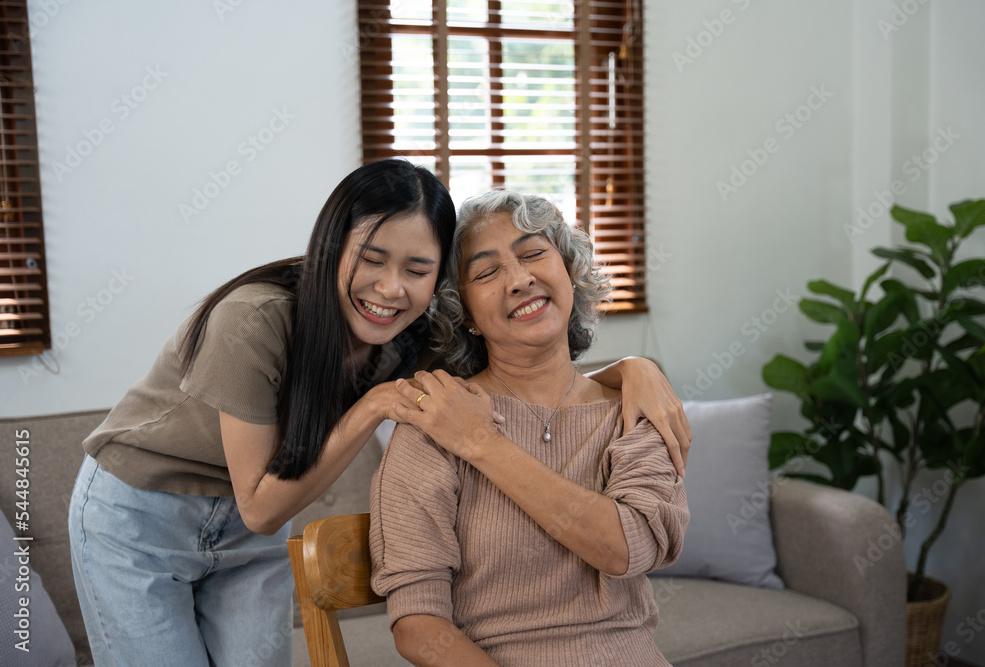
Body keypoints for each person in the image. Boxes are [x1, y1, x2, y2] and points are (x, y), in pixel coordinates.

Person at [68, 160, 689, 667]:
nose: (391, 289)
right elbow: (262, 506)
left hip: (243, 527)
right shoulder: (254, 320)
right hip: (142, 512)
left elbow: (531, 363)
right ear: (334, 246)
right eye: (372, 259)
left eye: (417, 269)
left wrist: (634, 367)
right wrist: (371, 407)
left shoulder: (409, 336)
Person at [370, 190, 691, 666]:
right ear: (466, 314)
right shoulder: (432, 425)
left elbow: (628, 547)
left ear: (570, 272)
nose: (519, 279)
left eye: (533, 254)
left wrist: (481, 444)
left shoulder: (636, 408)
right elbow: (418, 626)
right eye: (486, 272)